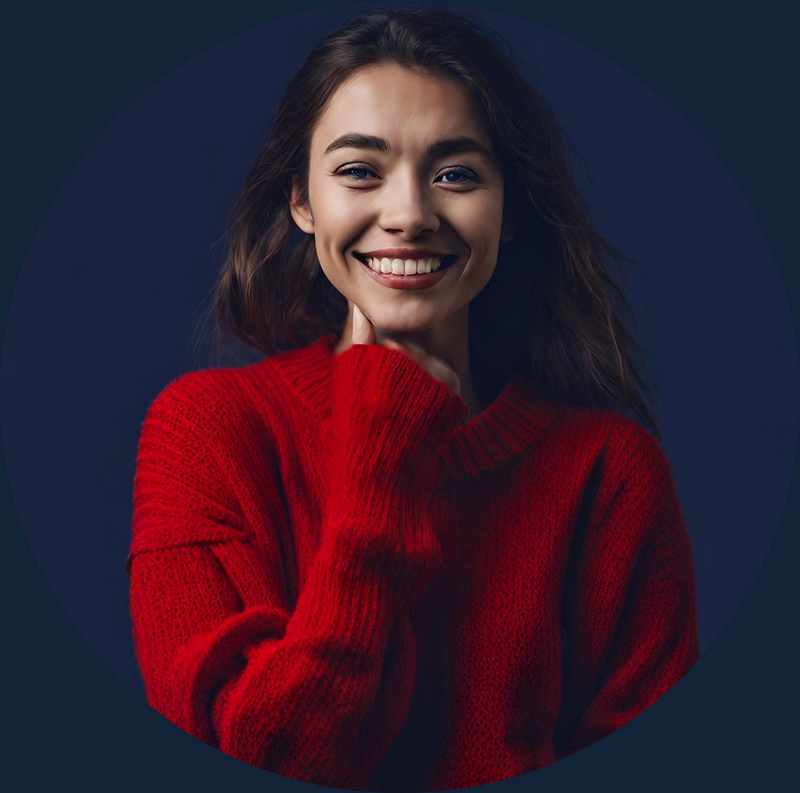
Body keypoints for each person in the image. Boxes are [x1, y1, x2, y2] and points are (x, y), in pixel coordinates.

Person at [127, 7, 699, 791]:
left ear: (507, 204)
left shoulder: (609, 471)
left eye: (456, 174)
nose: (408, 216)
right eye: (360, 171)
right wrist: (383, 444)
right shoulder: (207, 432)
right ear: (301, 199)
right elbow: (268, 756)